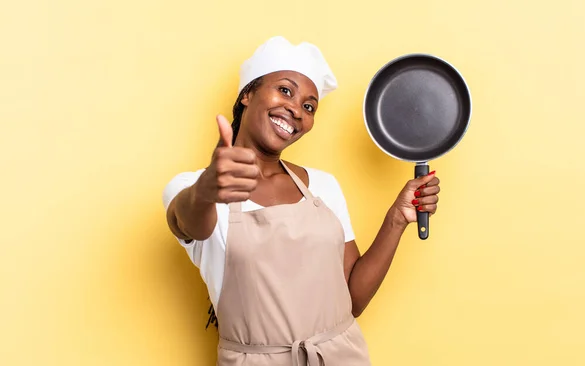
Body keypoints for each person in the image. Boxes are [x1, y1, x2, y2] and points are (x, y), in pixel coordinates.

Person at [162, 36, 441, 366]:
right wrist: (208, 189)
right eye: (285, 90)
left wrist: (397, 218)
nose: (296, 109)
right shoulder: (195, 188)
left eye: (309, 106)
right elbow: (187, 220)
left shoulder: (324, 185)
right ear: (247, 94)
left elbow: (351, 300)